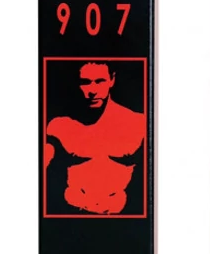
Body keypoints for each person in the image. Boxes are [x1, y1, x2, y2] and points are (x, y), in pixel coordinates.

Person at [44, 62, 144, 214]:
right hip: (70, 214)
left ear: (112, 80)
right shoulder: (58, 127)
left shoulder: (137, 123)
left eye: (100, 81)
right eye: (85, 82)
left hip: (123, 217)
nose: (92, 91)